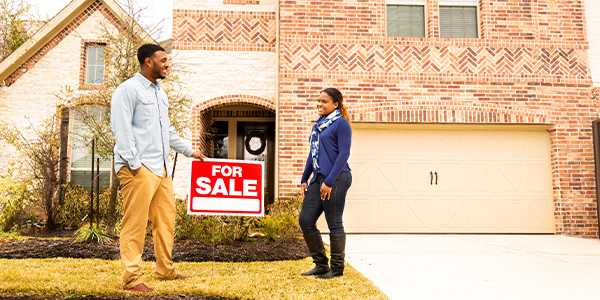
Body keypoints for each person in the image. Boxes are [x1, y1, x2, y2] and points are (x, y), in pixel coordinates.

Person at [111, 43, 206, 293]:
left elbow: (167, 131)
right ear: (147, 61)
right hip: (138, 167)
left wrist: (190, 151)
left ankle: (165, 269)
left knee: (166, 221)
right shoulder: (128, 90)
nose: (167, 64)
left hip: (161, 169)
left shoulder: (159, 93)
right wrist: (134, 164)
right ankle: (132, 279)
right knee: (135, 223)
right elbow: (122, 130)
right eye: (163, 60)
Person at [298, 88, 352, 279]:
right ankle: (321, 264)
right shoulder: (318, 126)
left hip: (337, 178)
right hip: (318, 178)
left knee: (334, 222)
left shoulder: (341, 124)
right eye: (318, 101)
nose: (319, 104)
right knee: (305, 220)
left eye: (324, 101)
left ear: (335, 104)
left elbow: (343, 154)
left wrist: (329, 181)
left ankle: (336, 269)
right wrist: (305, 178)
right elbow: (312, 154)